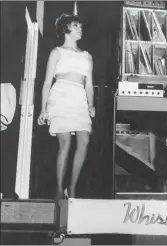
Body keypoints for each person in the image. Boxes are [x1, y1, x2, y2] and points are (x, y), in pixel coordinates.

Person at [38, 14, 95, 199]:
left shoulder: (87, 56)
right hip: (60, 96)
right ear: (66, 29)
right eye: (76, 25)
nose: (80, 29)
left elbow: (88, 85)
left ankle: (72, 187)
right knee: (65, 144)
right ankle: (58, 191)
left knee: (84, 141)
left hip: (79, 99)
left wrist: (91, 105)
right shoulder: (56, 52)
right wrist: (43, 109)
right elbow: (47, 83)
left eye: (80, 26)